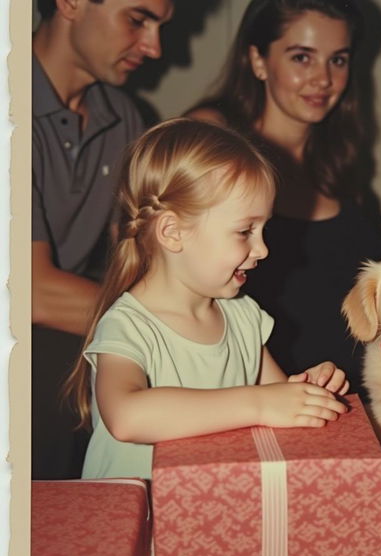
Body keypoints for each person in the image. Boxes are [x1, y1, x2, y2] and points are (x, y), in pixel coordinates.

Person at [64, 118, 349, 480]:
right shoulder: (129, 326)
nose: (262, 249)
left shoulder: (244, 317)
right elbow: (126, 416)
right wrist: (259, 404)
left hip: (209, 510)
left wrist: (305, 392)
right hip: (134, 520)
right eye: (245, 231)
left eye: (263, 230)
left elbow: (275, 399)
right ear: (173, 232)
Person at [186, 0, 381, 397]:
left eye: (338, 60)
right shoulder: (214, 137)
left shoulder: (337, 155)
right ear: (258, 60)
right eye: (302, 58)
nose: (323, 79)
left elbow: (345, 240)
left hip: (357, 390)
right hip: (272, 394)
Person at [31, 0, 174, 478]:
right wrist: (177, 323)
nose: (153, 47)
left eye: (159, 26)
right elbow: (30, 292)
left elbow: (138, 262)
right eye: (137, 19)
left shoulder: (124, 117)